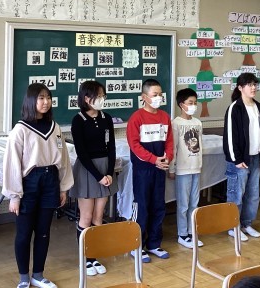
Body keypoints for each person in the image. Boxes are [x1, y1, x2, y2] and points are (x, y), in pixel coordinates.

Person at [2, 83, 74, 288]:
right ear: (31, 101)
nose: (46, 102)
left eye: (48, 98)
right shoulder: (20, 130)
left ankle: (38, 275)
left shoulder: (55, 127)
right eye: (41, 98)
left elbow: (63, 158)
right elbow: (13, 163)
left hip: (51, 181)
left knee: (43, 232)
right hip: (29, 183)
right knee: (24, 233)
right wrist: (14, 195)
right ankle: (24, 277)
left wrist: (63, 187)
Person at [70, 80, 117, 277]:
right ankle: (85, 258)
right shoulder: (78, 120)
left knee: (99, 216)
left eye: (103, 96)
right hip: (88, 171)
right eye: (99, 96)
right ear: (87, 98)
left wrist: (109, 172)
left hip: (105, 169)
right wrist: (98, 176)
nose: (102, 99)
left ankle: (94, 256)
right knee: (86, 217)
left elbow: (111, 147)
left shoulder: (106, 118)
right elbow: (81, 153)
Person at [127, 78, 174, 262]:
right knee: (142, 206)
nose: (158, 98)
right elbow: (134, 145)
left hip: (160, 168)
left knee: (158, 205)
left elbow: (169, 141)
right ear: (144, 97)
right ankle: (136, 246)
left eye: (160, 94)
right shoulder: (136, 118)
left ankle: (154, 243)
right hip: (143, 169)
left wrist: (167, 158)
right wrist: (154, 159)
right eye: (155, 94)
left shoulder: (164, 117)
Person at [223, 73, 260, 241]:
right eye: (249, 85)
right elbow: (230, 137)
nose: (253, 87)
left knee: (253, 194)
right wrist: (236, 159)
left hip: (255, 157)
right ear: (240, 88)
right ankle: (233, 227)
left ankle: (246, 224)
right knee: (236, 194)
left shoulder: (259, 107)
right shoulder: (234, 108)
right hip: (239, 160)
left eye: (254, 84)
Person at [168, 88, 203, 249]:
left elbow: (199, 145)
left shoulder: (198, 123)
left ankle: (191, 231)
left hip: (196, 167)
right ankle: (182, 234)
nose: (193, 105)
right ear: (182, 104)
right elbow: (173, 147)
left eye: (195, 102)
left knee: (194, 203)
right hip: (182, 169)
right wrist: (172, 168)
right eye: (190, 103)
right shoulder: (175, 123)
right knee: (183, 204)